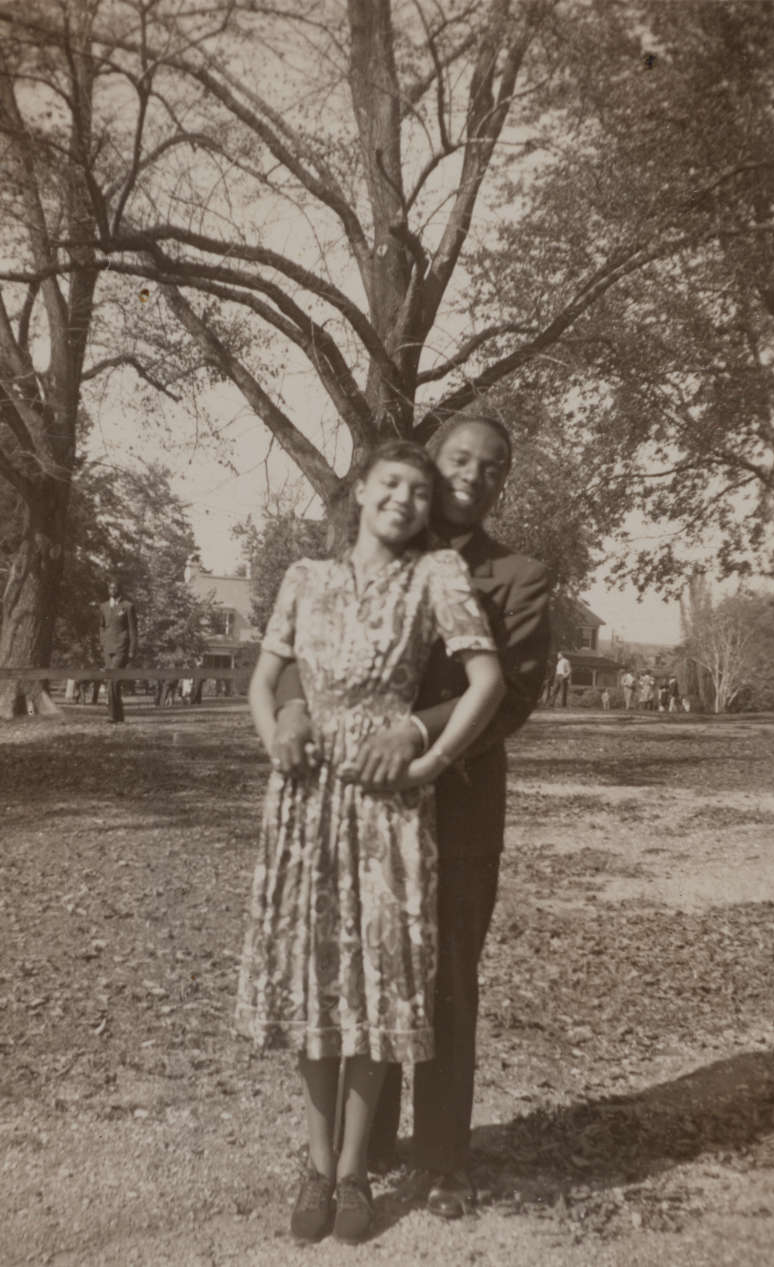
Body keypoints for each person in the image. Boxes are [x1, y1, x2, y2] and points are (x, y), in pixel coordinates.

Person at [271, 410, 551, 1221]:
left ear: (503, 480)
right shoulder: (380, 546)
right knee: (365, 967)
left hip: (458, 805)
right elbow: (310, 658)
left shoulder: (519, 574)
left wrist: (417, 732)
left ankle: (441, 1159)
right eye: (460, 457)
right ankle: (362, 1153)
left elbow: (513, 694)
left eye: (493, 465)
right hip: (355, 805)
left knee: (446, 976)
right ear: (432, 463)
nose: (475, 473)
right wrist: (289, 710)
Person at [98, 577, 138, 724]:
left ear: (119, 589)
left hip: (121, 648)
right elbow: (101, 626)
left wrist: (132, 649)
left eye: (115, 588)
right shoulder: (103, 606)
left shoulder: (128, 606)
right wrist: (102, 642)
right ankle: (119, 716)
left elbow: (133, 630)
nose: (112, 591)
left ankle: (112, 716)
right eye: (110, 588)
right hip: (107, 649)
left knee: (113, 681)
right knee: (111, 681)